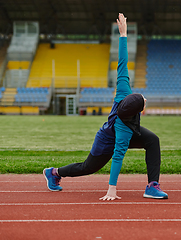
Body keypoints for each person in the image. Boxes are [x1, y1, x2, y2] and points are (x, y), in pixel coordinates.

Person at [43, 13, 168, 200]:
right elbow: (118, 157)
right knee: (88, 167)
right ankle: (54, 173)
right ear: (138, 111)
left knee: (152, 140)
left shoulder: (123, 91)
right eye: (143, 101)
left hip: (127, 128)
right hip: (107, 140)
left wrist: (123, 35)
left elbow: (122, 62)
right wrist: (112, 189)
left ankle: (152, 186)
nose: (145, 99)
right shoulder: (124, 130)